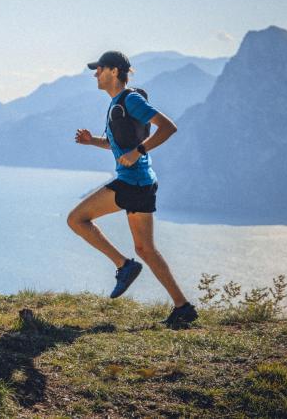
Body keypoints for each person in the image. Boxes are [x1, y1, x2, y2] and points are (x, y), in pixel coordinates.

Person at [66, 51, 197, 329]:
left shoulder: (131, 100)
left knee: (77, 219)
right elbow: (121, 145)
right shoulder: (118, 104)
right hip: (141, 182)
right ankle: (183, 308)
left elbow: (168, 127)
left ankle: (124, 265)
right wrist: (93, 142)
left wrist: (138, 152)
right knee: (146, 249)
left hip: (133, 181)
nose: (95, 74)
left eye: (99, 69)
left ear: (114, 71)